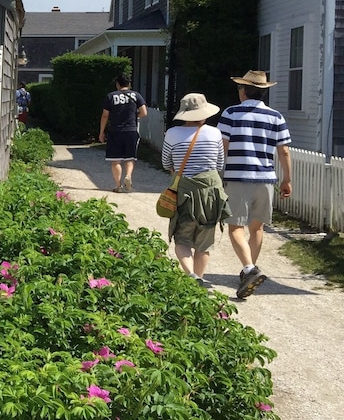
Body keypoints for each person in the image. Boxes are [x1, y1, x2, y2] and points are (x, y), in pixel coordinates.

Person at [217, 70, 292, 299]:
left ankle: (249, 268)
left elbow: (222, 146)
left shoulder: (231, 113)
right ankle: (249, 271)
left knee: (235, 227)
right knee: (257, 228)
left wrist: (218, 174)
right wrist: (287, 179)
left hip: (237, 177)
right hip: (265, 178)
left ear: (243, 90)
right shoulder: (276, 117)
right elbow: (284, 151)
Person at [162, 93, 229, 286]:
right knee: (204, 241)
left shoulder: (172, 133)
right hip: (211, 192)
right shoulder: (215, 133)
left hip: (184, 192)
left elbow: (166, 162)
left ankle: (191, 275)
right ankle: (198, 280)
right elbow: (219, 164)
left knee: (182, 238)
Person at [98, 73, 148, 192]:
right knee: (130, 158)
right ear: (129, 84)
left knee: (116, 161)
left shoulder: (111, 96)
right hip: (131, 130)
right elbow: (144, 112)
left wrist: (101, 132)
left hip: (115, 131)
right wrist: (134, 117)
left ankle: (118, 186)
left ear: (117, 84)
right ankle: (128, 176)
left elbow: (105, 115)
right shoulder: (136, 95)